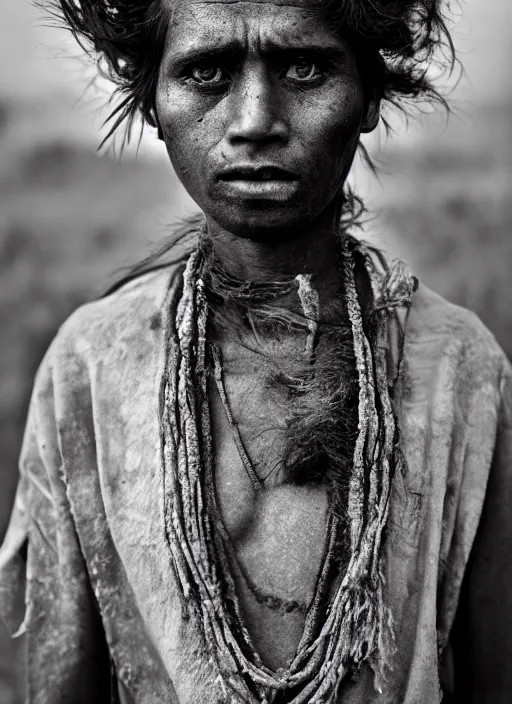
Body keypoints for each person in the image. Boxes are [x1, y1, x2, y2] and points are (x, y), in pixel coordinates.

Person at [0, 0, 511, 702]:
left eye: (304, 67)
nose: (253, 121)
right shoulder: (93, 366)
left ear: (365, 95)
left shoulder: (459, 370)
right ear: (153, 101)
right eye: (207, 71)